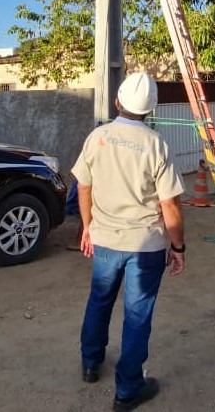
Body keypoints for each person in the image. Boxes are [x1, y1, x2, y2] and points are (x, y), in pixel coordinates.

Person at [73, 72, 186, 411]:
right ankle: (127, 390)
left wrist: (87, 227)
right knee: (137, 316)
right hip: (146, 245)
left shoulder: (98, 137)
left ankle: (91, 363)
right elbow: (169, 204)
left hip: (105, 241)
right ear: (151, 109)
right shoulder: (156, 144)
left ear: (117, 102)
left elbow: (83, 186)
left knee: (99, 300)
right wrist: (178, 247)